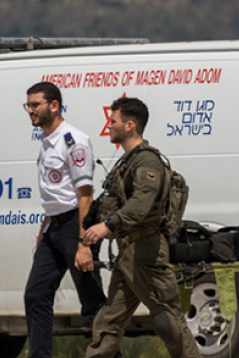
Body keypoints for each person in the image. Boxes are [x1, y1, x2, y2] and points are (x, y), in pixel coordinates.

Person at [81, 97, 201, 358]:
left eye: (113, 121)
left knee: (168, 321)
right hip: (128, 254)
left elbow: (142, 203)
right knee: (108, 321)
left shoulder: (147, 161)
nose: (108, 126)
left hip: (146, 252)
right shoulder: (127, 161)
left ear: (130, 125)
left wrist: (108, 225)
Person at [23, 82, 107, 358]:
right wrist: (45, 227)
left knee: (92, 304)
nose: (30, 111)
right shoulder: (47, 141)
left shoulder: (74, 141)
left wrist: (84, 243)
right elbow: (55, 191)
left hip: (76, 226)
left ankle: (110, 354)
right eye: (28, 105)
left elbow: (85, 195)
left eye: (35, 105)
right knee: (36, 296)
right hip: (54, 228)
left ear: (54, 105)